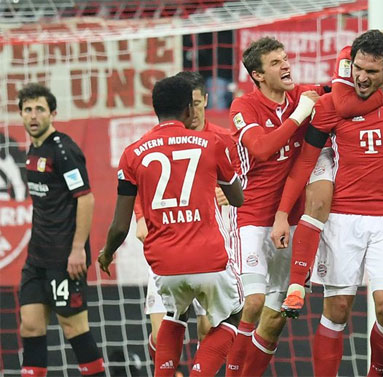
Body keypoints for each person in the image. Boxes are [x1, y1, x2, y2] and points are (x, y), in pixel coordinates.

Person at [271, 29, 383, 377]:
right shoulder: (329, 107)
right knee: (337, 309)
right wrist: (282, 214)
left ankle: (375, 373)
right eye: (357, 68)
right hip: (343, 217)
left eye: (372, 71)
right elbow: (305, 164)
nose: (362, 77)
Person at [98, 75, 244, 377]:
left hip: (164, 264)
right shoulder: (212, 143)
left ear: (155, 109)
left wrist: (106, 253)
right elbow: (238, 198)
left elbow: (119, 225)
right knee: (233, 315)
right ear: (190, 109)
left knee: (176, 314)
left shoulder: (133, 153)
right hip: (209, 258)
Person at [223, 36, 325, 377]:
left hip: (294, 220)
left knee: (276, 315)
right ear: (258, 75)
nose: (286, 65)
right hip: (251, 218)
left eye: (285, 59)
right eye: (275, 63)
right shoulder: (244, 107)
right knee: (252, 302)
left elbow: (341, 89)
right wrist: (299, 114)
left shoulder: (303, 94)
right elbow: (263, 149)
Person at [135, 71, 235, 362]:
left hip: (209, 245)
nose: (191, 111)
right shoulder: (154, 143)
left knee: (209, 329)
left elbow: (247, 186)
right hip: (169, 242)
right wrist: (141, 218)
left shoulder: (224, 140)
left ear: (205, 100)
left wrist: (228, 197)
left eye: (196, 103)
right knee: (160, 333)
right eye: (186, 104)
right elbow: (143, 187)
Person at [17, 83, 105, 377]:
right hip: (37, 258)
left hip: (65, 258)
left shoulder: (63, 149)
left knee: (73, 327)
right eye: (27, 109)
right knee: (30, 324)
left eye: (39, 109)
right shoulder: (34, 148)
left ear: (52, 113)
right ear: (20, 115)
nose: (33, 115)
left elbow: (86, 198)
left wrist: (78, 248)